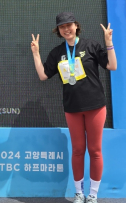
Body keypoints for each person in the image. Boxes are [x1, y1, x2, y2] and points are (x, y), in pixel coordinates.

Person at [31, 12, 117, 203]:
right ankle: (79, 193)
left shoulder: (91, 45)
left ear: (76, 26)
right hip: (72, 108)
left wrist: (108, 42)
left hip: (95, 106)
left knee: (95, 150)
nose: (66, 29)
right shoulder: (57, 52)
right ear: (58, 31)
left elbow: (112, 66)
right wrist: (36, 54)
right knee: (78, 150)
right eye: (62, 27)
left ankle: (93, 194)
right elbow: (43, 75)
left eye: (69, 25)